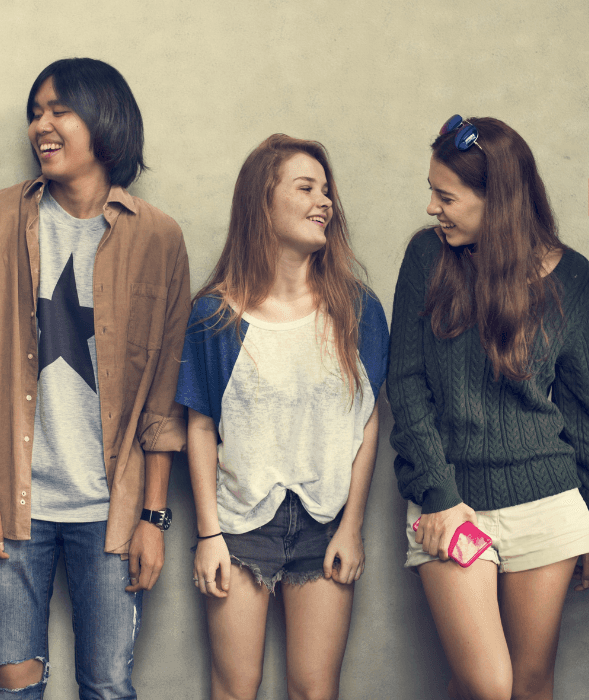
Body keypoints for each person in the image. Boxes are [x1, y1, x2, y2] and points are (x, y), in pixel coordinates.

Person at [0, 58, 190, 700]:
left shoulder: (157, 237)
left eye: (59, 110)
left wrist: (154, 517)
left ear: (104, 120)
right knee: (14, 687)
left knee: (107, 686)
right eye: (35, 112)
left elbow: (163, 400)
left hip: (113, 510)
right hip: (12, 503)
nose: (41, 126)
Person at [388, 116, 589, 700]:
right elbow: (406, 385)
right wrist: (437, 495)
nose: (434, 208)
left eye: (447, 196)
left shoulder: (573, 276)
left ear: (501, 202)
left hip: (548, 498)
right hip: (451, 500)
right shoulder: (426, 257)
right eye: (433, 192)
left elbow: (579, 402)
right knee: (487, 683)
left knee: (532, 684)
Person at [176, 134, 388, 700]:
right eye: (306, 187)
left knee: (315, 691)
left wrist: (352, 525)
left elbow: (366, 423)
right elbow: (199, 427)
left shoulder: (358, 310)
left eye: (327, 191)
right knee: (235, 689)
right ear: (262, 204)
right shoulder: (215, 315)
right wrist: (208, 534)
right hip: (240, 526)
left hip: (326, 523)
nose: (325, 201)